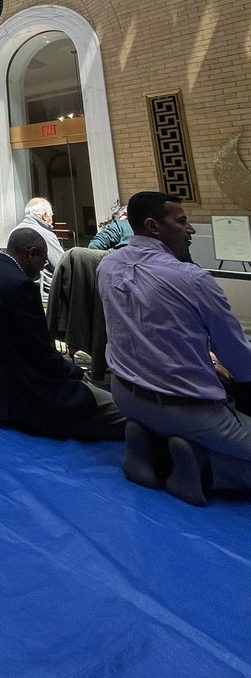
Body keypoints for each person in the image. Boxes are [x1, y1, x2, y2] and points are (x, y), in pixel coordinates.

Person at [97, 192, 251, 506]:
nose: (190, 229)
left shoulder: (107, 265)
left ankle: (149, 445)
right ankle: (201, 466)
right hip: (186, 409)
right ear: (153, 226)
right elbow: (240, 362)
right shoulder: (193, 280)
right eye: (181, 221)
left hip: (125, 394)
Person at [0, 227, 125, 442]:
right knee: (124, 412)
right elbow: (40, 352)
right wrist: (75, 372)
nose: (44, 267)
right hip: (23, 394)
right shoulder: (19, 285)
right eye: (43, 260)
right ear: (30, 253)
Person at [9, 198, 65, 303]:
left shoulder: (14, 231)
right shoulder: (46, 234)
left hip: (17, 289)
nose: (52, 219)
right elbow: (62, 265)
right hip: (46, 295)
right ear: (44, 215)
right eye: (51, 215)